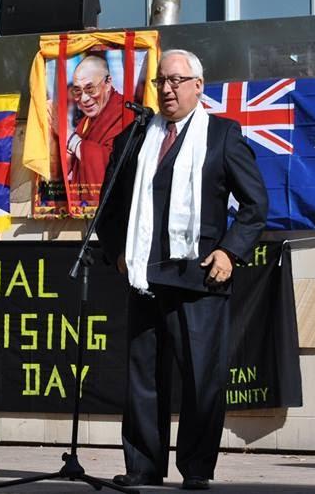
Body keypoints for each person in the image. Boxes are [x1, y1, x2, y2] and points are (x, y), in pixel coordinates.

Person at [97, 49, 267, 490]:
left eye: (176, 80)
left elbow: (254, 206)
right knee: (143, 379)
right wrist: (117, 250)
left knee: (200, 381)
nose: (167, 89)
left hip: (200, 280)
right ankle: (143, 466)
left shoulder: (223, 136)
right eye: (161, 82)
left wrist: (230, 252)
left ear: (198, 85)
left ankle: (195, 470)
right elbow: (110, 207)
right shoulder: (135, 138)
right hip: (144, 278)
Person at [62, 55, 125, 208]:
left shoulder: (125, 113)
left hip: (113, 213)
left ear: (108, 82)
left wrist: (72, 140)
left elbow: (113, 162)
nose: (84, 99)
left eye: (90, 89)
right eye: (77, 91)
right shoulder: (85, 122)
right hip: (80, 214)